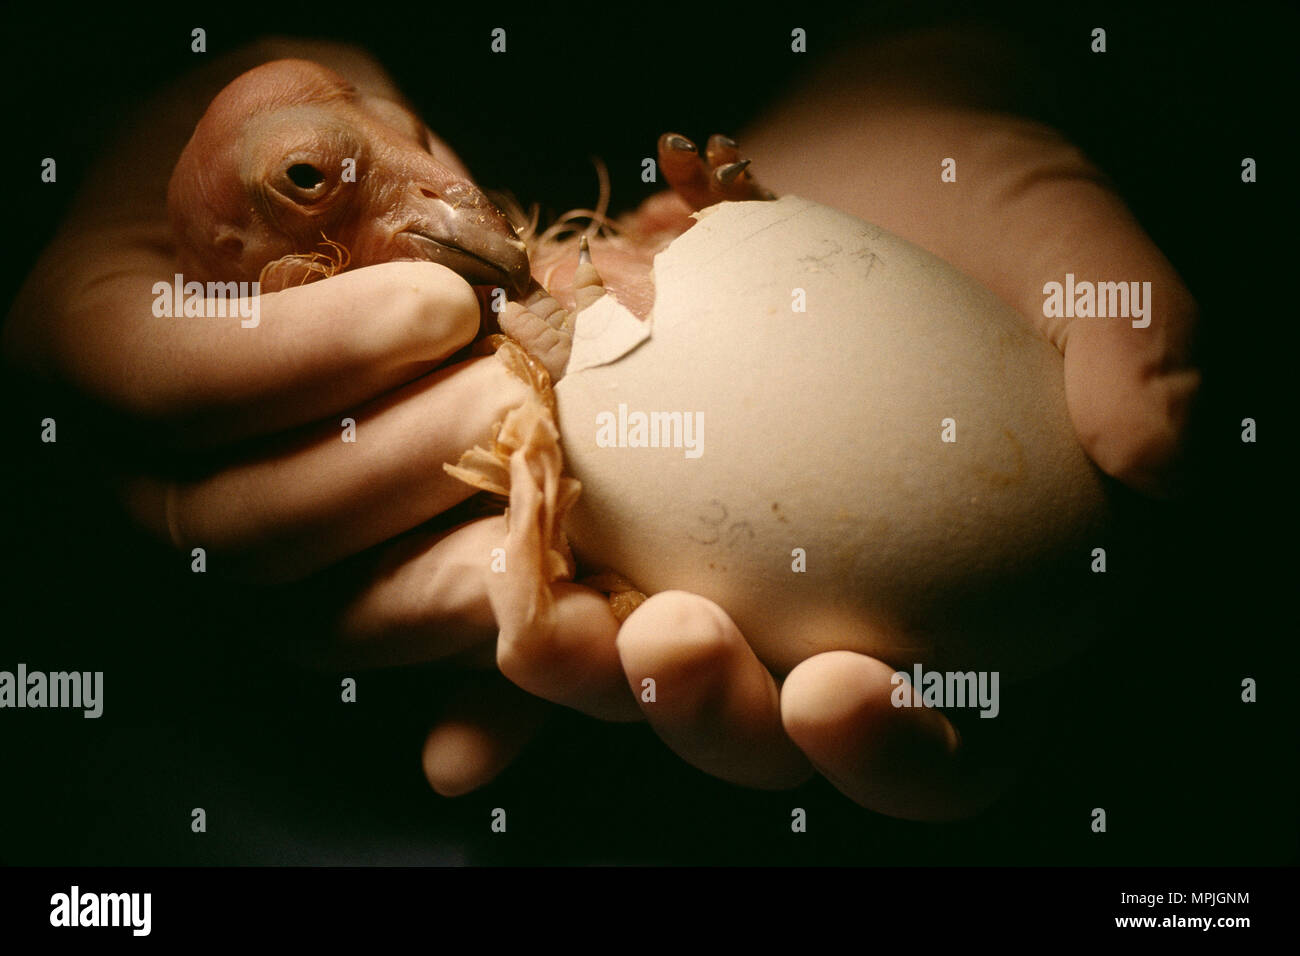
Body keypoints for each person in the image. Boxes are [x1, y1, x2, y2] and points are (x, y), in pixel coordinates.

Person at [2, 28, 1197, 823]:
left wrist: (951, 53)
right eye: (317, 184)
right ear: (253, 275)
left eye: (389, 133)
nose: (432, 186)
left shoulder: (552, 236)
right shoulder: (367, 399)